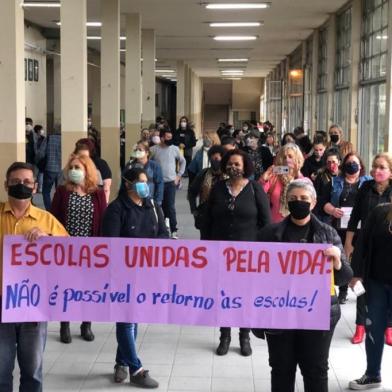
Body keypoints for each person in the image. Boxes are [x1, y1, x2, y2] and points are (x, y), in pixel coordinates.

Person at [258, 179, 353, 392]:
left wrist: (337, 261)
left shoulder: (328, 233)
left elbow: (345, 277)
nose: (298, 202)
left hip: (317, 316)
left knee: (316, 370)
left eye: (303, 199)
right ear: (286, 201)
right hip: (280, 315)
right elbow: (256, 278)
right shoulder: (269, 234)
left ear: (313, 202)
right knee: (281, 369)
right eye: (292, 199)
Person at [0, 162, 68, 392]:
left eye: (27, 182)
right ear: (6, 185)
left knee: (32, 371)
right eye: (16, 181)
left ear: (36, 186)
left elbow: (72, 252)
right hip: (1, 304)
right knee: (0, 370)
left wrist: (48, 237)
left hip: (33, 306)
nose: (21, 185)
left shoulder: (46, 219)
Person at [102, 167, 168, 388]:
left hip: (147, 274)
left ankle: (121, 361)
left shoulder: (153, 207)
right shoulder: (116, 209)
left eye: (146, 181)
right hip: (123, 276)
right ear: (128, 184)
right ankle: (136, 368)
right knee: (127, 320)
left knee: (133, 318)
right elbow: (109, 244)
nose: (145, 185)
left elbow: (163, 235)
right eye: (140, 181)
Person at [204, 149, 271, 356]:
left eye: (237, 164)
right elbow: (208, 220)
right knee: (223, 295)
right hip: (220, 254)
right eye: (230, 164)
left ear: (245, 167)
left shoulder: (255, 189)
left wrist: (260, 248)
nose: (233, 167)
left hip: (247, 256)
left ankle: (244, 334)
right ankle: (224, 335)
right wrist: (205, 249)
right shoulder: (217, 189)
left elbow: (266, 222)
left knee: (245, 296)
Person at [51, 154, 107, 344]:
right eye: (71, 168)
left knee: (87, 289)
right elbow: (54, 218)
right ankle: (64, 324)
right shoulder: (62, 192)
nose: (73, 171)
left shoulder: (97, 194)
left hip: (90, 251)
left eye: (78, 168)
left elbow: (103, 221)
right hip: (66, 249)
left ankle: (86, 324)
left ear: (87, 170)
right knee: (65, 287)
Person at [344, 153, 392, 345]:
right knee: (359, 284)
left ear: (390, 172)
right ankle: (360, 326)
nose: (377, 170)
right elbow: (355, 217)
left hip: (388, 247)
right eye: (375, 166)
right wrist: (348, 243)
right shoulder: (365, 187)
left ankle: (388, 326)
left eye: (382, 167)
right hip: (365, 242)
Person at [348, 203, 392, 390]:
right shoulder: (380, 212)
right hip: (376, 282)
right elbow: (363, 242)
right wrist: (356, 273)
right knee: (373, 328)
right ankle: (373, 374)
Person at [321, 152, 371, 304]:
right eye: (349, 163)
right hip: (339, 227)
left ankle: (360, 292)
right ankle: (343, 291)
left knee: (360, 260)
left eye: (355, 162)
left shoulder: (368, 182)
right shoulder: (335, 182)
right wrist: (333, 210)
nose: (352, 165)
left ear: (361, 166)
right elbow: (323, 202)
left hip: (362, 228)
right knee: (343, 260)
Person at [150, 128, 186, 239]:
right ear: (161, 137)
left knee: (170, 207)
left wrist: (179, 175)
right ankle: (159, 229)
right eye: (167, 137)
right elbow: (146, 162)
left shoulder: (174, 149)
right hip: (157, 183)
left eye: (171, 137)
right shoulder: (153, 150)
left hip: (170, 182)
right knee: (157, 206)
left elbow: (183, 161)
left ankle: (174, 229)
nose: (170, 139)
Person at [188, 145, 226, 239]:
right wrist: (194, 210)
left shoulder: (228, 175)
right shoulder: (204, 174)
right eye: (213, 158)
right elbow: (192, 192)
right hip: (206, 215)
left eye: (217, 158)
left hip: (224, 215)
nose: (215, 161)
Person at [260, 143, 305, 223]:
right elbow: (259, 193)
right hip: (275, 225)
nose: (287, 160)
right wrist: (263, 179)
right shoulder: (274, 177)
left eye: (290, 156)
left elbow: (308, 195)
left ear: (297, 159)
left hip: (296, 225)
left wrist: (298, 173)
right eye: (284, 157)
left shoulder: (301, 179)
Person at [126, 141, 164, 206]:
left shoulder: (154, 166)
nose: (137, 152)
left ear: (147, 153)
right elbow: (125, 183)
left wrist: (157, 202)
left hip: (150, 201)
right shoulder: (130, 165)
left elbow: (159, 184)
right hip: (133, 201)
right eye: (136, 150)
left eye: (140, 150)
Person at [74, 138, 112, 203]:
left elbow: (106, 188)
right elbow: (106, 188)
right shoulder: (102, 164)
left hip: (80, 200)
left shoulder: (100, 164)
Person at [313, 148, 341, 222]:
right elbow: (316, 195)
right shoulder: (321, 176)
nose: (331, 165)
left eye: (333, 162)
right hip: (323, 215)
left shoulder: (343, 177)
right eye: (328, 162)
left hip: (340, 213)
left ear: (339, 162)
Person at [42, 125, 62, 211]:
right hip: (62, 169)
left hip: (50, 168)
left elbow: (41, 153)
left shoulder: (49, 138)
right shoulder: (66, 139)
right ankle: (58, 210)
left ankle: (50, 210)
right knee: (60, 192)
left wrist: (37, 162)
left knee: (46, 191)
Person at [33, 124, 47, 193]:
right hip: (35, 159)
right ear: (38, 131)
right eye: (42, 129)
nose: (42, 131)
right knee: (35, 175)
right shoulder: (34, 138)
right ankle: (35, 188)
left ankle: (40, 188)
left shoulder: (43, 138)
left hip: (41, 159)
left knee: (40, 174)